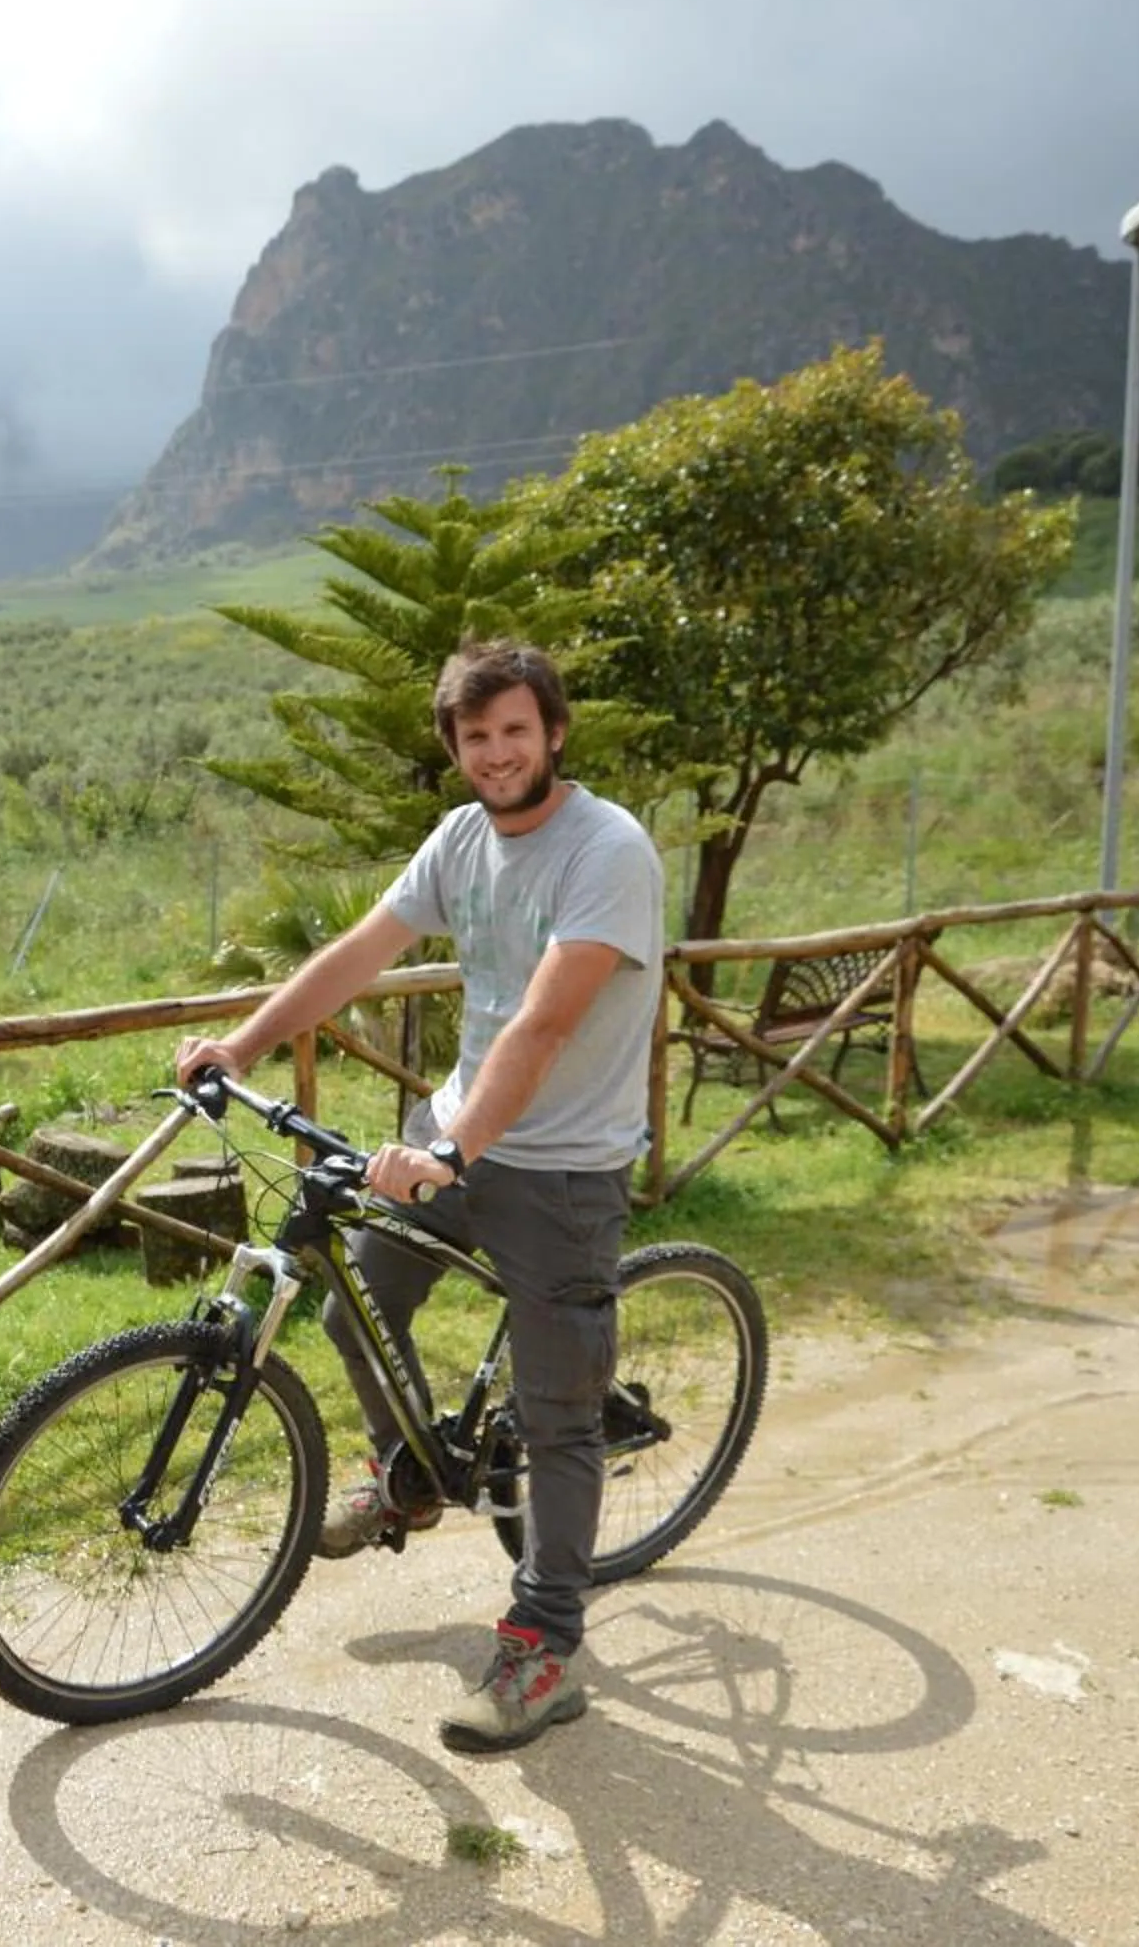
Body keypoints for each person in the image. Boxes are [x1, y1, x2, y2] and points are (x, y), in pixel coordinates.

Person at [173, 638, 664, 1754]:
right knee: (355, 1303)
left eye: (515, 731)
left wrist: (453, 1146)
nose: (497, 753)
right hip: (456, 1132)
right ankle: (408, 1475)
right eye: (475, 736)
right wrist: (243, 1044)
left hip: (563, 1161)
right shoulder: (461, 838)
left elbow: (543, 1021)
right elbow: (361, 950)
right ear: (455, 747)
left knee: (558, 1415)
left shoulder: (608, 850)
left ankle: (543, 1648)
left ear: (553, 733)